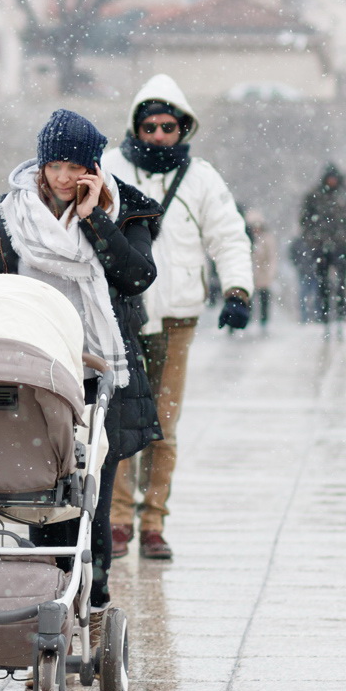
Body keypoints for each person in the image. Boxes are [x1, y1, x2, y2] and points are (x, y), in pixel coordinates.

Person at [0, 108, 163, 618]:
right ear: (41, 163)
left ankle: (94, 603)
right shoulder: (9, 217)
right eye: (54, 164)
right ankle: (45, 606)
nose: (62, 176)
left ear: (94, 168)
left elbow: (136, 275)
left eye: (75, 165)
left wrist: (93, 218)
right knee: (42, 494)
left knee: (93, 499)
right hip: (36, 372)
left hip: (103, 374)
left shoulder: (129, 209)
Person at [101, 73, 253, 560]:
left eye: (169, 126)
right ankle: (119, 519)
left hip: (178, 317)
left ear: (183, 127)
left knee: (164, 424)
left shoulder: (202, 178)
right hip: (123, 313)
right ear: (137, 128)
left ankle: (153, 522)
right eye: (152, 127)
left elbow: (228, 235)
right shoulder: (110, 170)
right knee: (122, 424)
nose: (160, 136)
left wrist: (238, 290)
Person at [299, 163, 346, 333]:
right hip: (321, 245)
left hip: (340, 245)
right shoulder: (315, 195)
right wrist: (313, 238)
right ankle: (325, 315)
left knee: (342, 281)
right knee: (323, 282)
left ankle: (341, 314)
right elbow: (304, 220)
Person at [246, 210, 277, 332]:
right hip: (250, 273)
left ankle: (264, 322)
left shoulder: (267, 239)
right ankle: (248, 322)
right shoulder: (246, 239)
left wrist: (270, 272)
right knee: (248, 299)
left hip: (263, 274)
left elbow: (272, 257)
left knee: (264, 298)